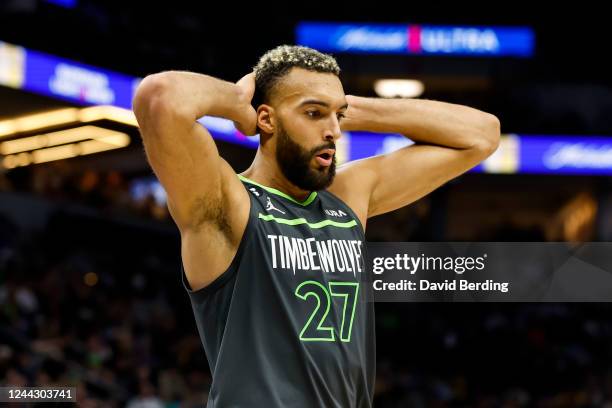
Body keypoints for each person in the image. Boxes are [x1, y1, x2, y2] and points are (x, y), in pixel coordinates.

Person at [132, 45, 500, 407]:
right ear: (267, 119)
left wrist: (351, 109)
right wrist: (237, 101)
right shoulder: (228, 204)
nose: (334, 132)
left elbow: (482, 135)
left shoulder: (347, 195)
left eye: (336, 116)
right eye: (312, 113)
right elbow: (160, 97)